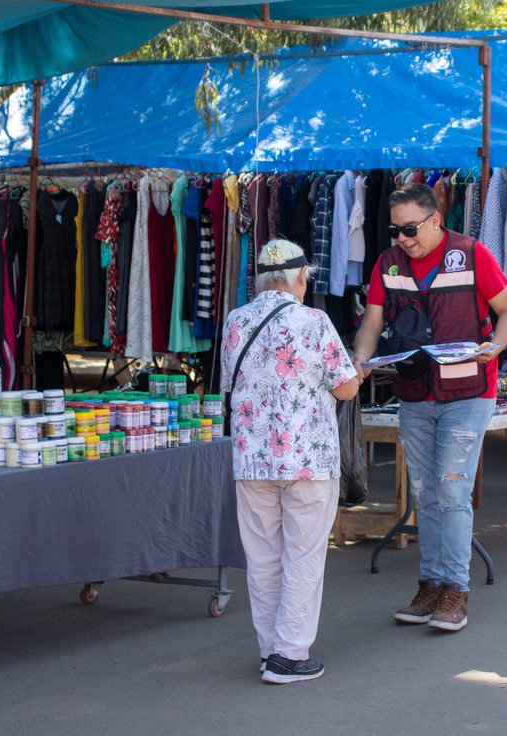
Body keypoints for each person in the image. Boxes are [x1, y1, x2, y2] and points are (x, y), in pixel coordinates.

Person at [352, 183, 507, 632]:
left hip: (468, 393)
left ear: (435, 220)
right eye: (395, 230)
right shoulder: (387, 263)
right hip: (414, 392)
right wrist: (361, 358)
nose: (403, 239)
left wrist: (494, 346)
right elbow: (372, 322)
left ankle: (455, 590)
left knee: (451, 490)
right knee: (424, 492)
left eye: (410, 229)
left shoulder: (472, 254)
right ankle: (430, 584)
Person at [220, 239, 360, 684]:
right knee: (303, 556)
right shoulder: (314, 321)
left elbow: (231, 384)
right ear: (302, 277)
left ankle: (270, 652)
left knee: (263, 558)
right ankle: (289, 655)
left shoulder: (235, 321)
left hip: (252, 458)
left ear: (260, 278)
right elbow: (346, 388)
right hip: (307, 459)